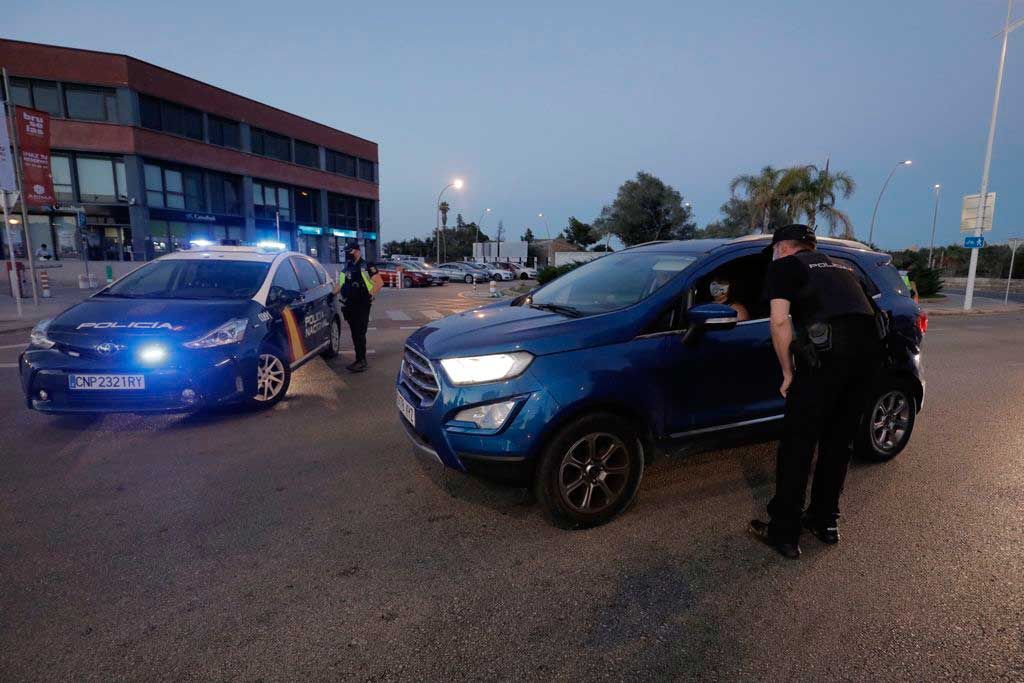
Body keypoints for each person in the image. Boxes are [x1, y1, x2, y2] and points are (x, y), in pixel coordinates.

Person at [749, 225, 883, 559]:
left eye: (775, 250)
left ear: (782, 247)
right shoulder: (844, 266)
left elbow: (780, 322)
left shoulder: (785, 266)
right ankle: (825, 522)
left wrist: (787, 371)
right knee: (838, 444)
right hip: (865, 363)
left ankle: (784, 533)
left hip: (823, 363)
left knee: (798, 445)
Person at [338, 244, 383, 373]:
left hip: (362, 305)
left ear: (357, 251)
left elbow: (379, 283)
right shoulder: (347, 266)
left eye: (349, 251)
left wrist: (369, 296)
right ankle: (359, 360)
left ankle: (361, 361)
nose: (347, 253)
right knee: (354, 333)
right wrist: (331, 294)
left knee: (359, 333)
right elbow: (340, 283)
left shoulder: (366, 266)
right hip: (350, 304)